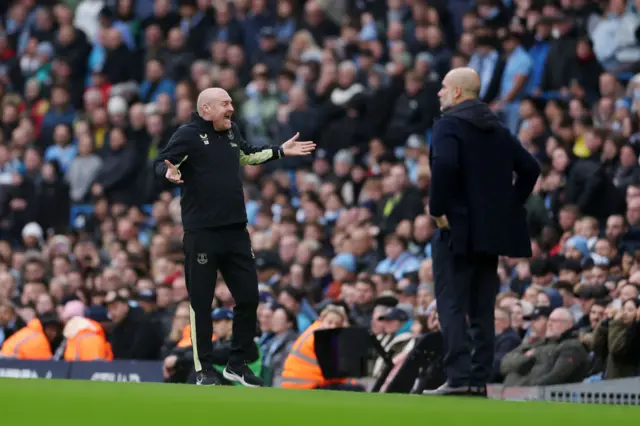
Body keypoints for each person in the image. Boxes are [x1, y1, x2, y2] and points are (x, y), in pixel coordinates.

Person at [154, 87, 315, 387]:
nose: (231, 108)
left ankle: (237, 363)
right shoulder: (188, 135)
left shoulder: (231, 132)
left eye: (231, 102)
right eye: (225, 103)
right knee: (200, 302)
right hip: (202, 233)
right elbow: (161, 161)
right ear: (206, 110)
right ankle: (204, 369)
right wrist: (168, 173)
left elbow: (247, 154)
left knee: (249, 297)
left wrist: (280, 150)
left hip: (235, 231)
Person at [425, 68, 540, 396]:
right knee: (482, 307)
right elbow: (530, 168)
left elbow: (444, 165)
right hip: (490, 235)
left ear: (458, 93)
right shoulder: (499, 129)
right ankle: (477, 380)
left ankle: (458, 378)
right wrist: (507, 208)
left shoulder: (449, 125)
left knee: (451, 303)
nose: (439, 93)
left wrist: (437, 210)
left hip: (456, 229)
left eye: (444, 87)